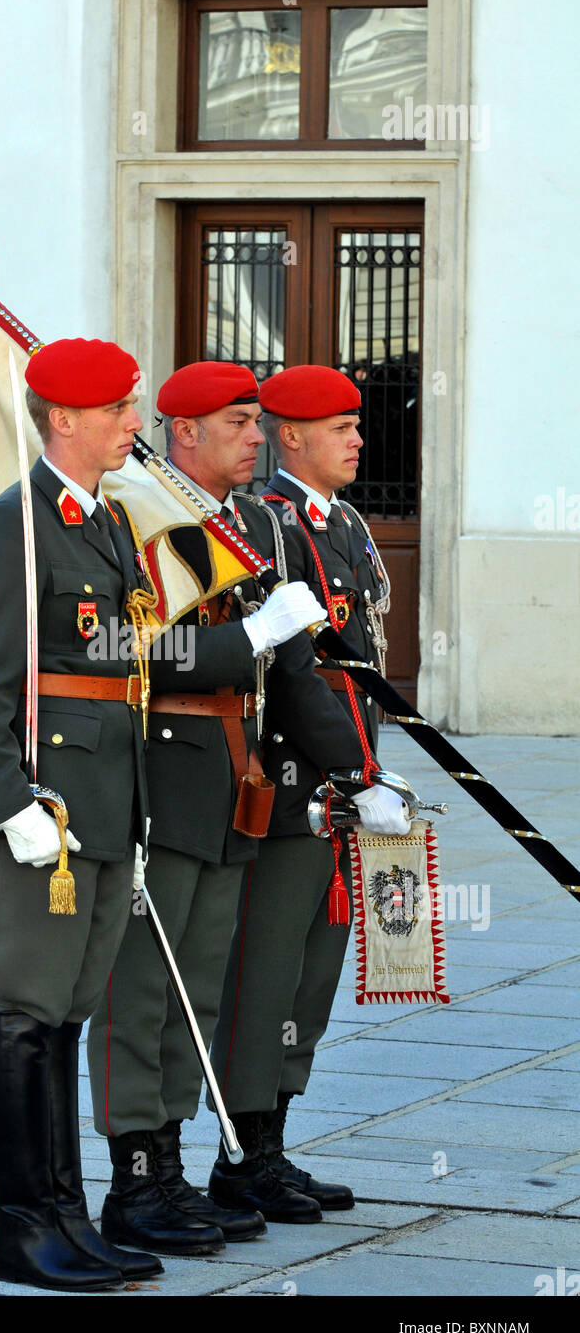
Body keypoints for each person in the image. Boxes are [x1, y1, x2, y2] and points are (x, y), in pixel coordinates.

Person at [87, 361, 328, 1254]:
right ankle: (134, 1179)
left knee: (202, 990)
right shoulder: (133, 510)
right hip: (163, 774)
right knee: (143, 989)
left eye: (259, 421)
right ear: (182, 431)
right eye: (238, 421)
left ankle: (177, 1162)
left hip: (234, 772)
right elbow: (117, 644)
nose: (257, 437)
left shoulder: (246, 521)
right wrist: (241, 643)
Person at [0, 337, 162, 1291]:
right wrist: (2, 801)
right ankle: (22, 1229)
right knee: (27, 1014)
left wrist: (132, 819)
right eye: (118, 409)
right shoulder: (11, 526)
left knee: (68, 1013)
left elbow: (118, 670)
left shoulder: (106, 523)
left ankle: (67, 1218)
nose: (133, 423)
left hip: (105, 813)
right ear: (63, 419)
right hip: (46, 813)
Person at [207, 363, 410, 1222]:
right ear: (290, 435)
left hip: (338, 785)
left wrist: (373, 767)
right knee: (265, 977)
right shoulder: (267, 524)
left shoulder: (347, 524)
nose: (360, 440)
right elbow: (293, 677)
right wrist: (349, 771)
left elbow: (358, 668)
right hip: (291, 786)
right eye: (341, 428)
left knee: (311, 980)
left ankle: (275, 1145)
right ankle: (239, 1158)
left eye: (358, 427)